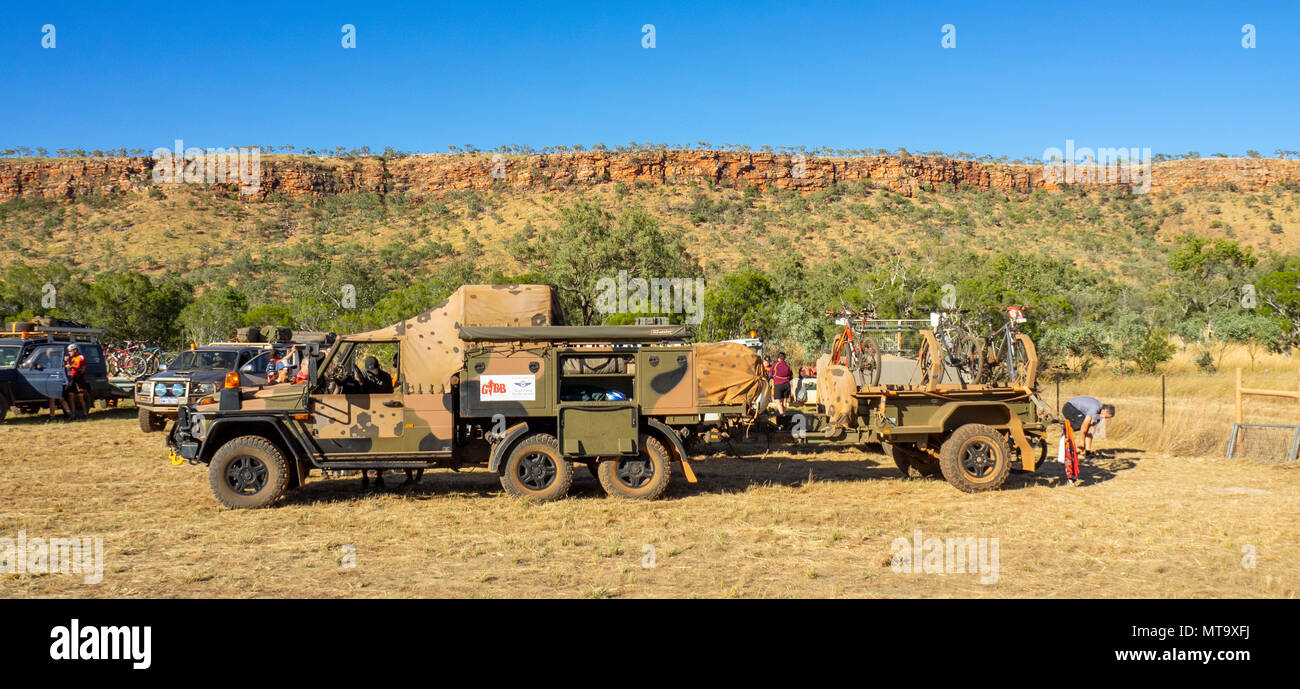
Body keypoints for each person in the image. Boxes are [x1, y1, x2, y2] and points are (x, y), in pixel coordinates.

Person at [1062, 395, 1115, 460]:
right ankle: (1076, 451)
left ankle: (1086, 453)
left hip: (1078, 411)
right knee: (1082, 424)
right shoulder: (1095, 408)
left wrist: (1088, 452)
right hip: (1069, 407)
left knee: (1087, 427)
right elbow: (1085, 425)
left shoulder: (1100, 415)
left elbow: (1090, 431)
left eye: (1106, 418)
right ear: (1104, 410)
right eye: (1105, 416)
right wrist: (1082, 441)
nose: (1104, 418)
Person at [63, 343, 89, 420]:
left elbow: (82, 370)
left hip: (79, 379)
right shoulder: (73, 358)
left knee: (80, 397)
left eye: (70, 351)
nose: (69, 353)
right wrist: (68, 362)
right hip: (73, 379)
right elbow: (70, 369)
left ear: (75, 350)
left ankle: (85, 414)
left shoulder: (81, 357)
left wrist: (70, 366)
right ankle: (73, 414)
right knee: (71, 396)